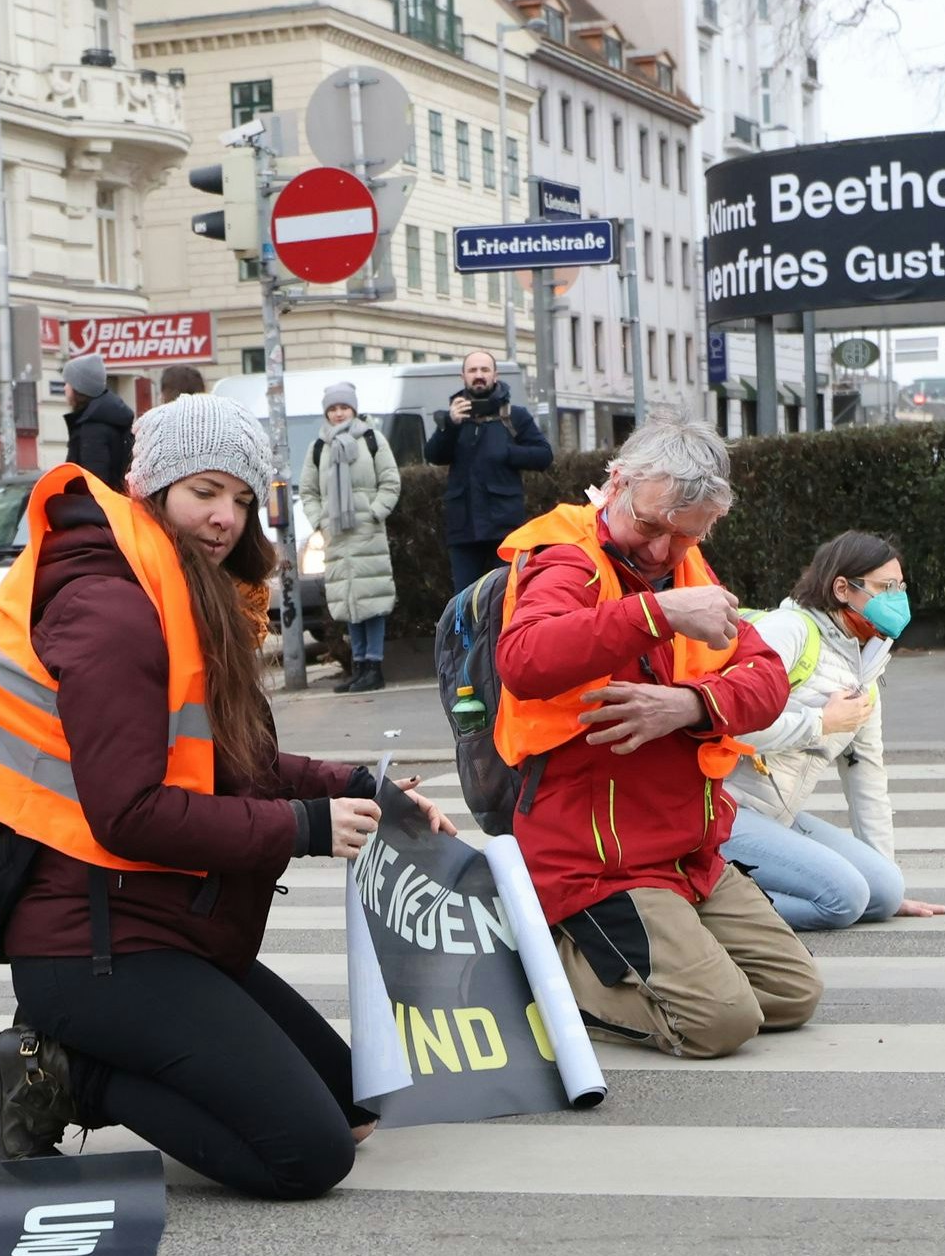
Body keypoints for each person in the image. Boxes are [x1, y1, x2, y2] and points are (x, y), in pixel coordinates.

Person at [0, 394, 459, 1196]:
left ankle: (116, 1060)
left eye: (244, 499)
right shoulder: (117, 610)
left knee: (353, 1106)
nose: (226, 518)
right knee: (308, 1157)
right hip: (94, 949)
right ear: (151, 490)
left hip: (163, 926)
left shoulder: (181, 594)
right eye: (205, 492)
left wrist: (365, 789)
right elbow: (130, 815)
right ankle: (66, 1073)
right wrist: (306, 827)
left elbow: (228, 760)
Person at [494, 418, 822, 1057]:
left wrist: (689, 705)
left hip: (687, 852)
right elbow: (525, 659)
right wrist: (657, 612)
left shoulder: (690, 571)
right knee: (720, 1023)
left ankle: (653, 957)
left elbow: (767, 681)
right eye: (648, 528)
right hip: (598, 863)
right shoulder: (568, 559)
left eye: (686, 535)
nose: (660, 553)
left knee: (791, 995)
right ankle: (544, 955)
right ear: (616, 484)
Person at [723, 530, 945, 929]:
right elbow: (727, 723)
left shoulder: (863, 669)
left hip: (775, 816)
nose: (897, 598)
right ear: (843, 589)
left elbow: (866, 775)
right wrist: (820, 723)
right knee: (843, 899)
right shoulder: (789, 631)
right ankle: (703, 911)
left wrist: (889, 887)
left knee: (882, 892)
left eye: (900, 587)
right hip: (720, 810)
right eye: (885, 588)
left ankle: (733, 890)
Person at [424, 347, 552, 607]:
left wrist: (507, 453)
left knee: (504, 600)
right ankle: (469, 650)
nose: (479, 375)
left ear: (495, 375)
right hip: (464, 529)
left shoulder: (513, 416)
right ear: (463, 376)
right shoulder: (452, 417)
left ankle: (502, 648)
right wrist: (449, 425)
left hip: (504, 528)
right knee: (465, 603)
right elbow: (434, 455)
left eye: (484, 370)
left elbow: (544, 455)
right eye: (473, 370)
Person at [308, 381, 403, 693]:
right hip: (337, 535)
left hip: (366, 532)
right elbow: (308, 490)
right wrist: (319, 521)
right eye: (333, 409)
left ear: (354, 409)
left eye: (343, 407)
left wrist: (375, 512)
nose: (338, 414)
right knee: (348, 601)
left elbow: (390, 480)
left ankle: (374, 667)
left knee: (371, 600)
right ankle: (358, 667)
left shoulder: (372, 438)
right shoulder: (318, 447)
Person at [62, 352, 136, 487]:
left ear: (79, 387)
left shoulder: (93, 427)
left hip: (96, 505)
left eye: (68, 383)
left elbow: (94, 481)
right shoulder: (109, 418)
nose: (65, 388)